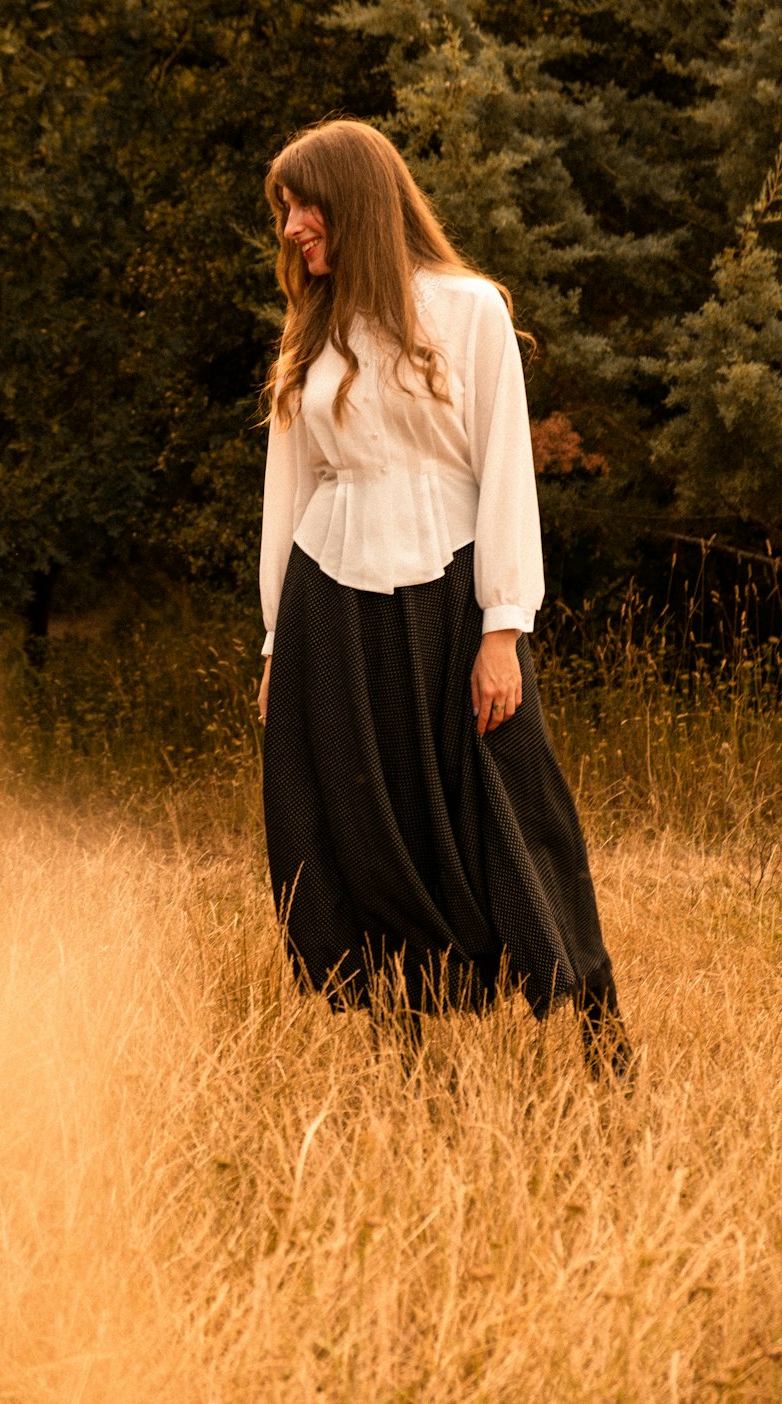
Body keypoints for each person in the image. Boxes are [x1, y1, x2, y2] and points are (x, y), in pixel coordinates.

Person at [256, 118, 631, 1075]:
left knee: (515, 806)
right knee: (359, 823)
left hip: (455, 597)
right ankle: (406, 1059)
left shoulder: (467, 312)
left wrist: (504, 625)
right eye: (287, 210)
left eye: (307, 203)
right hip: (328, 609)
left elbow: (506, 470)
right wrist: (273, 650)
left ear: (360, 200)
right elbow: (288, 492)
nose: (294, 226)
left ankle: (599, 1040)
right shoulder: (311, 333)